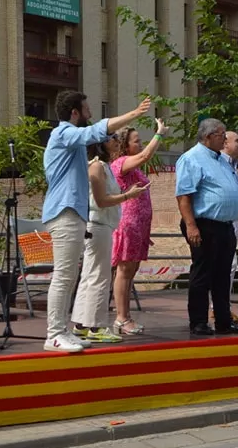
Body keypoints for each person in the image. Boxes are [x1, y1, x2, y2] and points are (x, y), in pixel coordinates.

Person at [40, 90, 151, 353]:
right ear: (74, 112)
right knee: (64, 276)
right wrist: (134, 114)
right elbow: (94, 133)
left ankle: (64, 331)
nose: (91, 112)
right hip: (64, 212)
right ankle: (54, 333)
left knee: (70, 277)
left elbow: (92, 137)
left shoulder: (73, 143)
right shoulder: (63, 133)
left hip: (74, 214)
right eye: (87, 108)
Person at [72, 136, 149, 343]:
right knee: (99, 276)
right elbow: (101, 200)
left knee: (90, 275)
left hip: (100, 226)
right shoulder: (96, 166)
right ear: (102, 144)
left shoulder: (100, 166)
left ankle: (81, 324)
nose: (116, 141)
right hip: (98, 226)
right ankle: (96, 327)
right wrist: (128, 195)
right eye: (112, 138)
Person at [175, 118, 238, 336]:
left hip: (225, 225)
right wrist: (191, 226)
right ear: (208, 137)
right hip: (204, 224)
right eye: (221, 135)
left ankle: (224, 320)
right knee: (202, 273)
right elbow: (184, 195)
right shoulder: (191, 159)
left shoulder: (221, 160)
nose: (225, 140)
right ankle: (198, 321)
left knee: (223, 275)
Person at [109, 119, 169, 336]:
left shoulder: (132, 166)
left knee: (130, 270)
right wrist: (159, 134)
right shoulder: (122, 163)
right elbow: (145, 156)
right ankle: (121, 318)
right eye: (137, 141)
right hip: (129, 224)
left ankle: (126, 316)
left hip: (139, 225)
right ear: (126, 146)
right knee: (124, 271)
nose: (141, 144)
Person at [219, 131, 238, 324]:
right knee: (227, 265)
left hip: (233, 219)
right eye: (237, 141)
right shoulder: (220, 163)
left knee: (230, 266)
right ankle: (219, 308)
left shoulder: (233, 166)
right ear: (225, 144)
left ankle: (222, 307)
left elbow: (232, 190)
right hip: (222, 221)